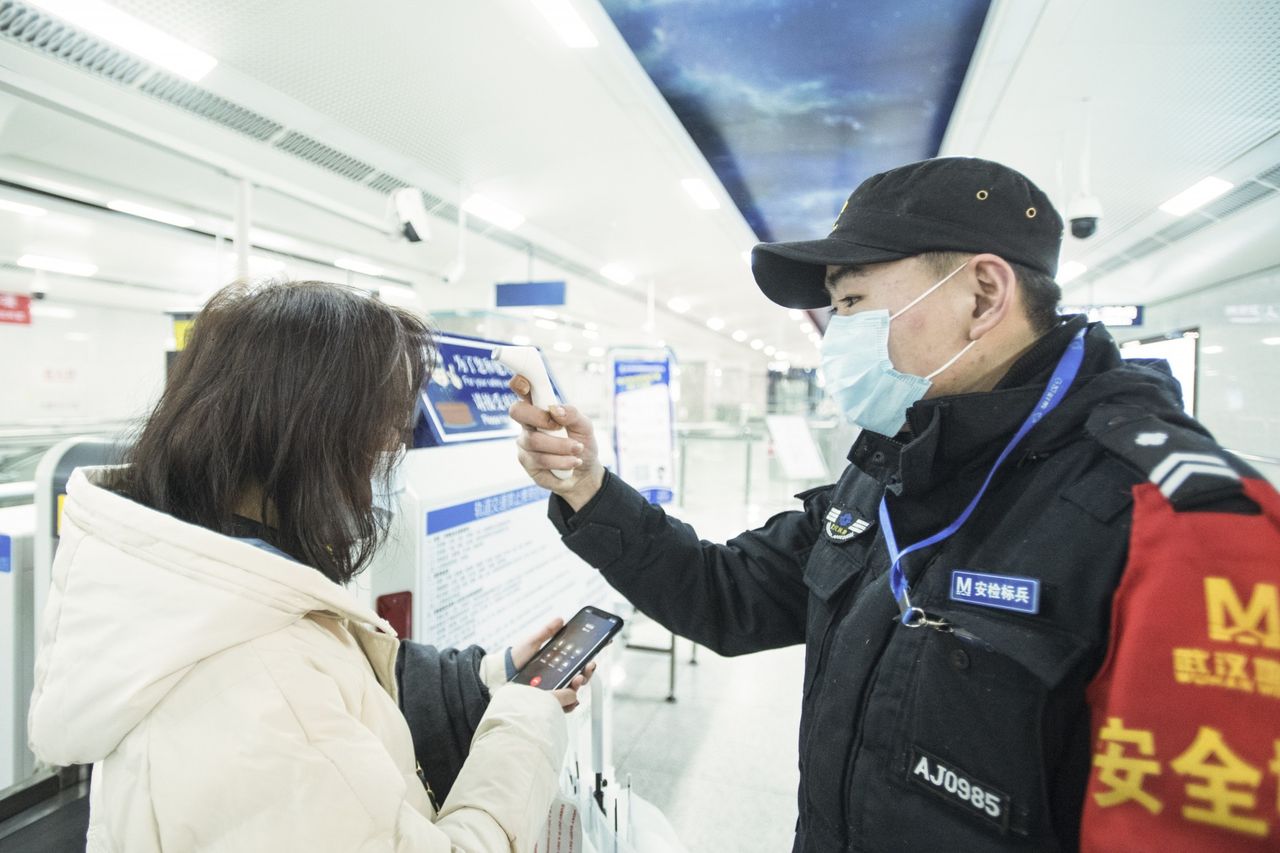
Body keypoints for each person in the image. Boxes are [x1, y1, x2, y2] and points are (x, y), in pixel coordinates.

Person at [507, 158, 1280, 851]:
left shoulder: (1175, 524)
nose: (835, 340)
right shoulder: (891, 465)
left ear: (982, 294)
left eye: (852, 304)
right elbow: (728, 594)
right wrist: (586, 487)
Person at [28, 280, 590, 852]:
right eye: (383, 436)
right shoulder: (260, 681)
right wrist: (525, 722)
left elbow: (343, 701)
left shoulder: (192, 580)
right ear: (319, 439)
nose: (383, 464)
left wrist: (491, 678)